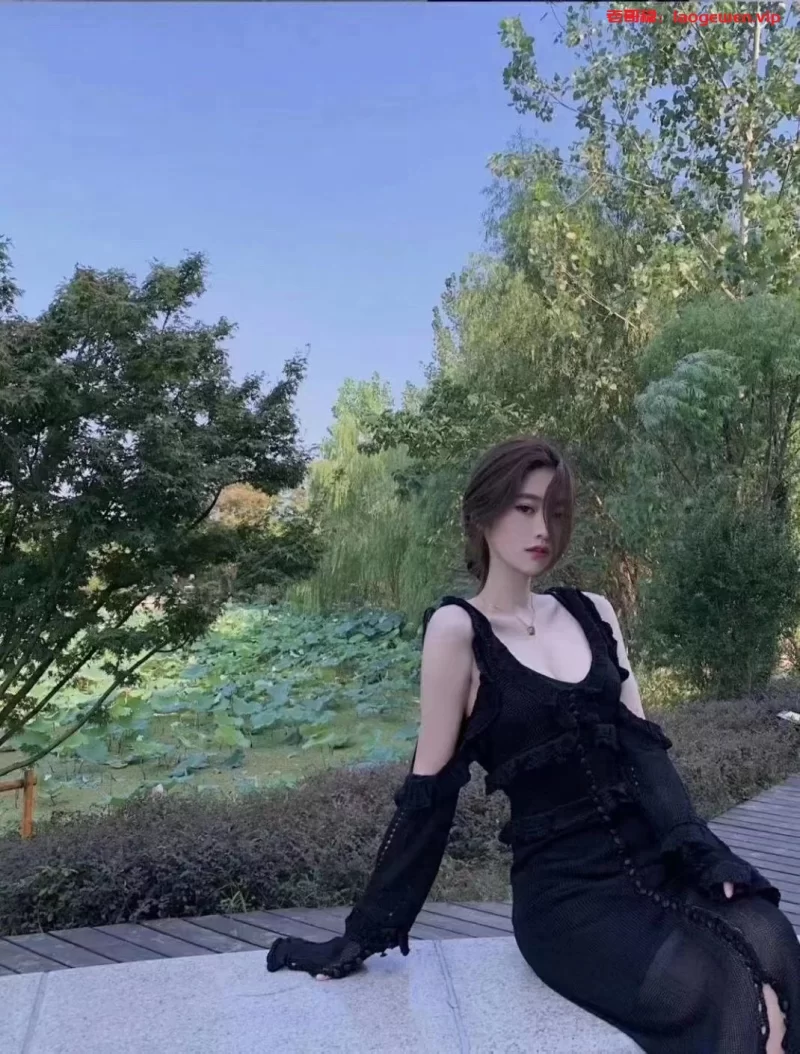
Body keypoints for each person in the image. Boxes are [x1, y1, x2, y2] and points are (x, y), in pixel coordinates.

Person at [267, 435, 800, 1054]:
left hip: (655, 862)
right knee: (727, 993)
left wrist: (703, 852)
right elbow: (429, 795)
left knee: (774, 944)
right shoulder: (457, 631)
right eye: (524, 508)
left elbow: (645, 755)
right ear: (481, 514)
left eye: (555, 511)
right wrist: (364, 932)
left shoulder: (593, 612)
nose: (542, 528)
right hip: (567, 899)